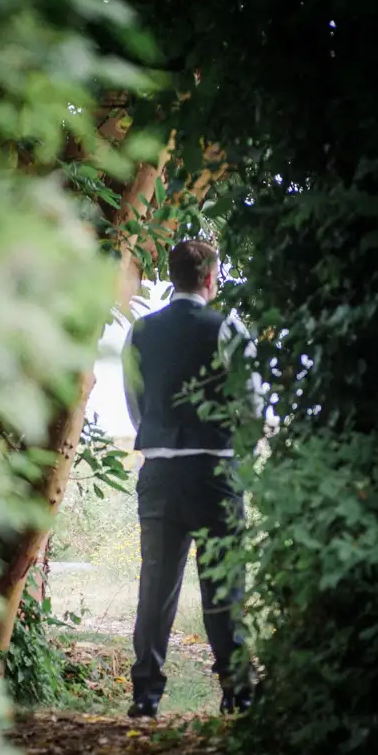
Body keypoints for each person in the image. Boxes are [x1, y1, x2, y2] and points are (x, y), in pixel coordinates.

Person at [121, 238, 258, 718]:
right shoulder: (228, 329)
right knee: (224, 586)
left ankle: (146, 695)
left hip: (159, 471)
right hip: (215, 471)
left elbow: (135, 405)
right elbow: (251, 404)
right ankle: (237, 693)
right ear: (209, 279)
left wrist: (161, 440)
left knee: (156, 585)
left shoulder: (140, 331)